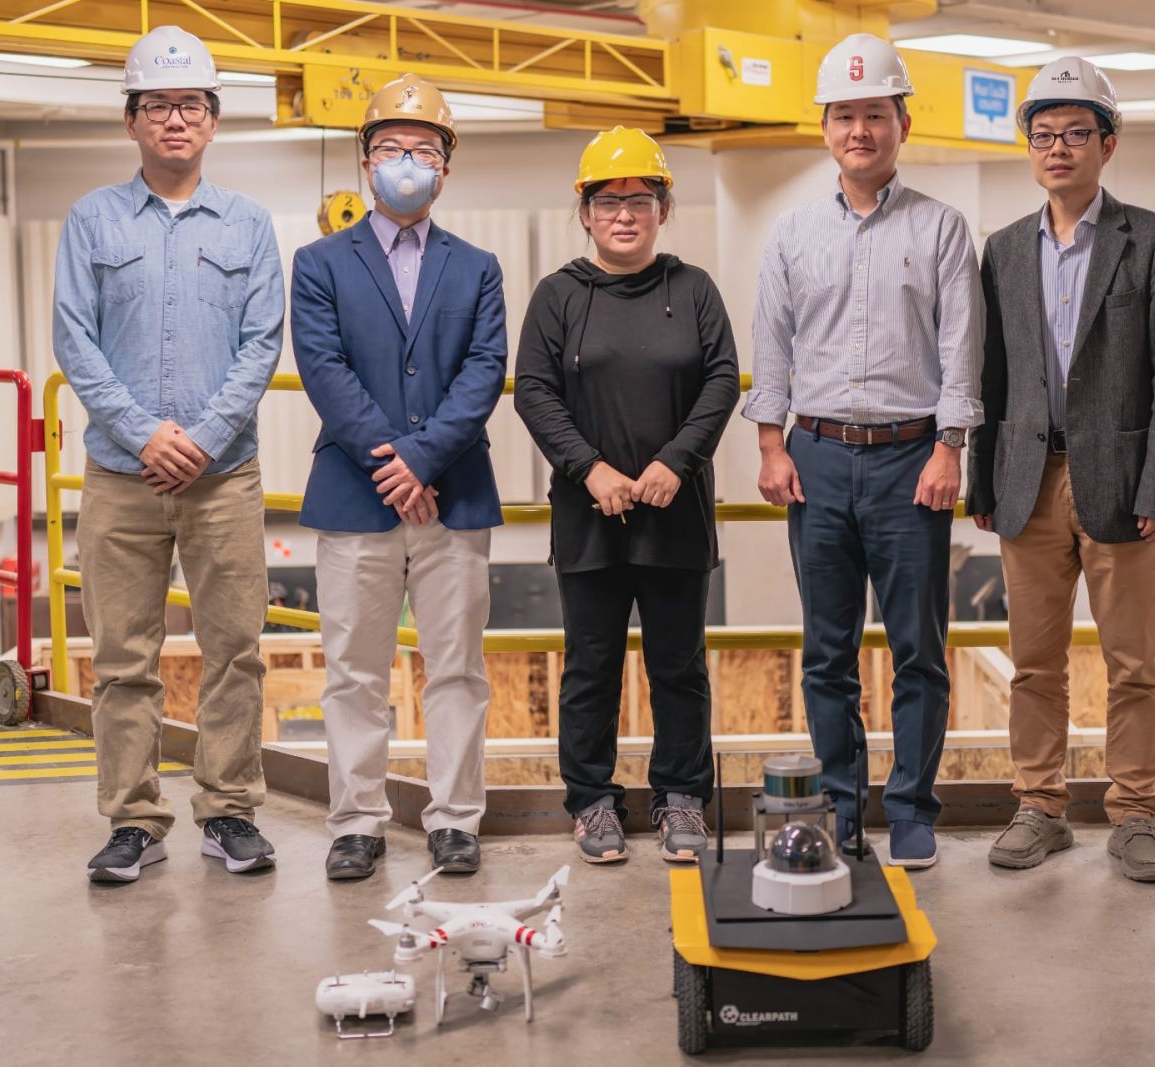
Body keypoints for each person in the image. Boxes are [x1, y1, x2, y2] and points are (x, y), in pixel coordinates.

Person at [743, 33, 983, 870]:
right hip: (814, 458)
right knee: (827, 651)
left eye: (874, 114)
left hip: (912, 460)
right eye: (844, 115)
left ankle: (913, 809)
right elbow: (770, 348)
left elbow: (962, 350)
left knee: (919, 648)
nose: (859, 130)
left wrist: (951, 447)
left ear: (901, 122)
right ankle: (841, 813)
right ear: (825, 129)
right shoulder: (792, 233)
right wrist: (772, 446)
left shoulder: (944, 229)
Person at [53, 26, 284, 883]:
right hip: (121, 475)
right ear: (132, 120)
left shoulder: (250, 224)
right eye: (158, 105)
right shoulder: (92, 220)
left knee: (236, 649)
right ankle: (134, 820)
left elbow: (262, 343)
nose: (174, 119)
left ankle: (228, 811)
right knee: (122, 660)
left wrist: (204, 438)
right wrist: (144, 432)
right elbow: (75, 341)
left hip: (224, 477)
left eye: (190, 105)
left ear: (213, 122)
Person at [967, 57, 1155, 883]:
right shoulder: (1001, 251)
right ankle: (1039, 805)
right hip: (1026, 484)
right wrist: (981, 482)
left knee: (1135, 663)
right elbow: (988, 374)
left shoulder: (1154, 241)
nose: (1056, 148)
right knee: (1035, 662)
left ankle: (1135, 812)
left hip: (1122, 484)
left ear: (1108, 143)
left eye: (1073, 133)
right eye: (1042, 134)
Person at [291, 74, 506, 881]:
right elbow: (324, 366)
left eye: (422, 149)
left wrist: (423, 459)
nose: (406, 161)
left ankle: (455, 819)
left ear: (446, 167)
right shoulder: (319, 264)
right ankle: (357, 821)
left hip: (454, 495)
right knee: (352, 672)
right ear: (363, 161)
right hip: (357, 496)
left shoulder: (477, 267)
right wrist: (395, 463)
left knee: (455, 667)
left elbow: (484, 370)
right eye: (390, 148)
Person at [515, 128, 740, 865]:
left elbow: (720, 380)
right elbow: (537, 394)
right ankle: (592, 801)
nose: (624, 213)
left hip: (676, 515)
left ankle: (681, 797)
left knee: (679, 665)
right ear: (584, 211)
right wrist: (591, 469)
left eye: (639, 200)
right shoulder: (558, 296)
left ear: (663, 208)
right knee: (591, 665)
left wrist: (678, 460)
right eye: (608, 200)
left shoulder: (693, 288)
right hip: (590, 519)